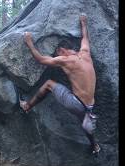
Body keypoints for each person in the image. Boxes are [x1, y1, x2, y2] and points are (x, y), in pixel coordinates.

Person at [20, 14, 100, 154]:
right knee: (85, 119)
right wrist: (83, 22)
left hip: (76, 103)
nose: (57, 56)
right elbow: (85, 38)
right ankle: (95, 146)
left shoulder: (66, 60)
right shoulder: (86, 53)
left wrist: (29, 42)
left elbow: (41, 60)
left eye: (57, 53)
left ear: (61, 51)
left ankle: (27, 106)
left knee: (49, 84)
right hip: (89, 106)